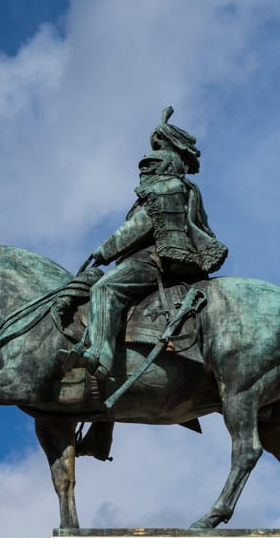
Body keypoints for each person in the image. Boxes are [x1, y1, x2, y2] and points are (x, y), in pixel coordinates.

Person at [61, 107, 227, 398]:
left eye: (150, 164)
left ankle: (100, 355)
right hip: (156, 257)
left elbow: (140, 226)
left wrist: (103, 251)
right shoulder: (179, 188)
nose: (144, 171)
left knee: (104, 288)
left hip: (153, 259)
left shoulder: (165, 188)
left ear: (166, 161)